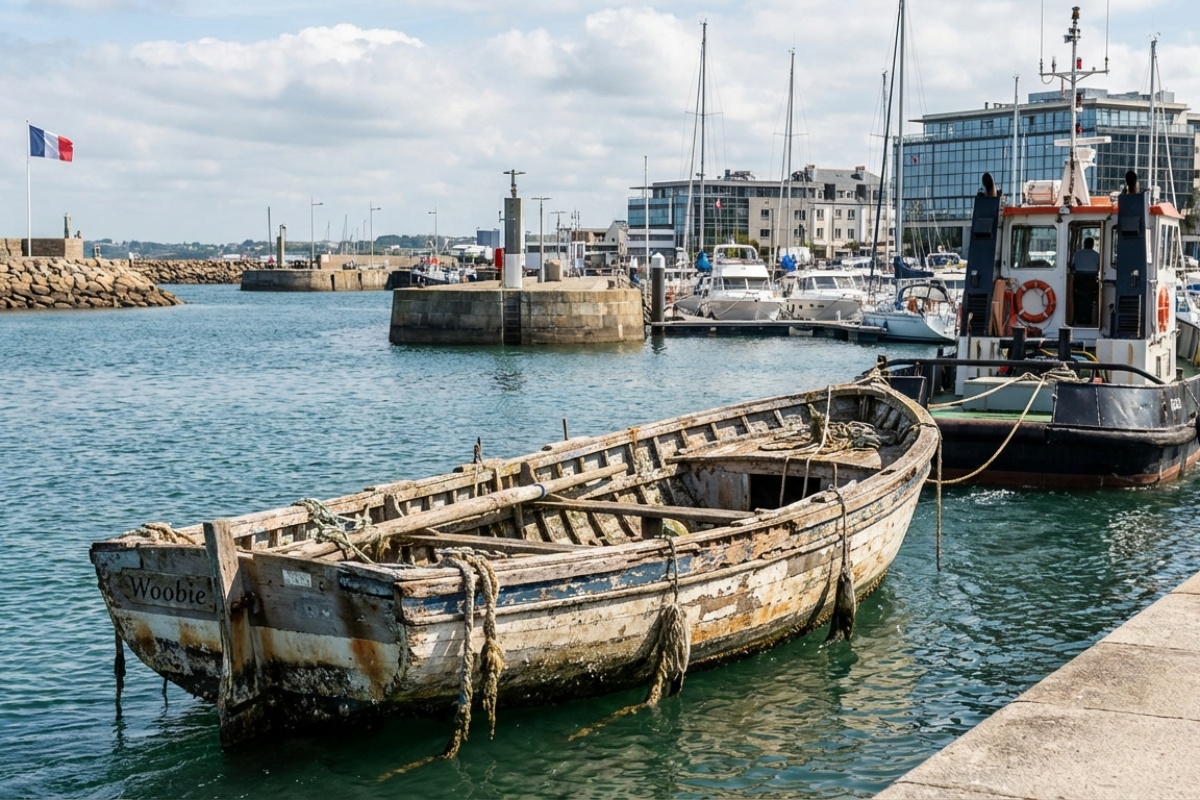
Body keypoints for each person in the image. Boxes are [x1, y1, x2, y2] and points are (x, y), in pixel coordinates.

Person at [1073, 237, 1100, 326]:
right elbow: (1100, 267)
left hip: (1079, 283)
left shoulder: (1077, 254)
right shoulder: (1097, 255)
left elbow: (1073, 266)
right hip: (1092, 283)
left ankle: (1077, 319)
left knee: (1078, 299)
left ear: (1084, 244)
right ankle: (1092, 319)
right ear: (1092, 245)